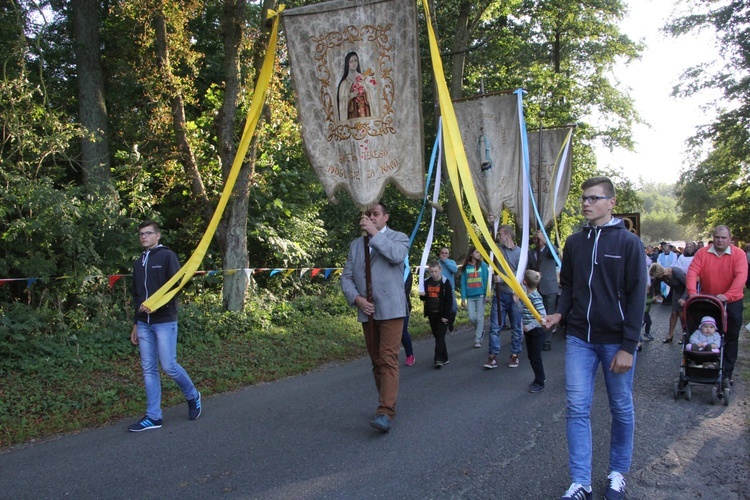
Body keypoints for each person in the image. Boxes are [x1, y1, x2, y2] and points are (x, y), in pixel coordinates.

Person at [546, 177, 646, 500]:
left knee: (621, 407)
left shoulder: (629, 244)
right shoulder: (575, 243)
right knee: (576, 408)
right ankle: (581, 483)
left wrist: (629, 347)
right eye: (583, 198)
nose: (586, 203)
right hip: (579, 339)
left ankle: (617, 474)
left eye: (593, 198)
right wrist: (559, 313)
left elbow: (637, 299)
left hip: (616, 341)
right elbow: (569, 288)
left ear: (611, 203)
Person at [341, 203, 409, 433]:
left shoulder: (398, 238)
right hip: (367, 311)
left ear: (385, 217)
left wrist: (374, 233)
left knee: (388, 358)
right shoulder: (355, 245)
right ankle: (386, 402)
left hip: (392, 309)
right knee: (376, 361)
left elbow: (397, 257)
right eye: (368, 214)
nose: (371, 217)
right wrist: (357, 298)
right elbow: (346, 277)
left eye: (376, 214)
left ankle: (385, 411)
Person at [128, 220, 201, 432]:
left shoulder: (167, 256)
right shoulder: (138, 262)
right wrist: (135, 323)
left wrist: (159, 304)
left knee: (169, 366)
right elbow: (137, 296)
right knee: (149, 369)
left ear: (157, 236)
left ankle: (193, 395)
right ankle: (153, 416)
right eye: (141, 234)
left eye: (148, 233)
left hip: (165, 320)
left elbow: (177, 286)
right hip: (143, 323)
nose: (144, 237)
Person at [686, 225, 747, 385]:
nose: (719, 240)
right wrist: (692, 292)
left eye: (723, 238)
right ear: (713, 237)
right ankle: (700, 363)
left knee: (731, 337)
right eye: (717, 237)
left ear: (730, 239)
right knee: (703, 331)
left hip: (731, 301)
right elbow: (693, 271)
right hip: (709, 300)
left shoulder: (738, 254)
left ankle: (727, 372)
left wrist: (727, 296)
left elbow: (741, 277)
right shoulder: (702, 253)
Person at [484, 223, 524, 369]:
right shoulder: (498, 250)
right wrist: (490, 223)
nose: (498, 237)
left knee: (516, 327)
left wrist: (502, 277)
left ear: (507, 235)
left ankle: (514, 355)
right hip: (499, 294)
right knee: (495, 327)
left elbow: (520, 274)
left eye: (500, 234)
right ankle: (492, 356)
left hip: (515, 295)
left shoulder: (520, 252)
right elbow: (488, 240)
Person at [528, 229, 560, 351]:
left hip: (549, 287)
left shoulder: (549, 250)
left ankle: (547, 340)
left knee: (549, 313)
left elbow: (555, 252)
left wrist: (545, 239)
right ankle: (539, 336)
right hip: (536, 287)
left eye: (539, 239)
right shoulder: (531, 253)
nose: (537, 241)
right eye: (535, 239)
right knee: (537, 314)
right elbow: (528, 268)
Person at [420, 261, 453, 369]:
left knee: (439, 336)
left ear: (440, 270)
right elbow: (424, 298)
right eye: (432, 272)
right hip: (431, 313)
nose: (434, 274)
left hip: (442, 314)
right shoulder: (426, 282)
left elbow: (449, 300)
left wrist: (446, 316)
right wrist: (422, 295)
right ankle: (445, 357)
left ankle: (438, 359)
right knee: (438, 336)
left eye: (436, 271)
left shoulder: (445, 282)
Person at [648, 263, 688, 344]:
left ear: (658, 273)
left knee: (681, 314)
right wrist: (651, 297)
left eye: (655, 276)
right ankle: (670, 335)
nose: (655, 278)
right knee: (673, 313)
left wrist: (684, 298)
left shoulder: (676, 272)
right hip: (676, 292)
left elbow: (688, 285)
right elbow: (653, 286)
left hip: (685, 292)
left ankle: (684, 335)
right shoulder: (662, 276)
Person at [521, 270, 547, 393]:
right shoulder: (528, 295)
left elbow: (543, 317)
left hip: (536, 332)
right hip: (530, 332)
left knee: (535, 357)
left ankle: (540, 382)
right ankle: (539, 377)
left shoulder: (535, 297)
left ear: (525, 282)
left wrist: (529, 326)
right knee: (531, 356)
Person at [461, 247, 489, 348]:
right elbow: (463, 282)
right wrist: (463, 297)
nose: (478, 254)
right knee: (472, 317)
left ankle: (477, 339)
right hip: (470, 296)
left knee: (479, 317)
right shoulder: (466, 267)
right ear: (471, 254)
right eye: (477, 252)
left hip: (481, 295)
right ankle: (480, 331)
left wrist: (487, 294)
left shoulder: (483, 265)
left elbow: (486, 280)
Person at [337, 51, 377, 121]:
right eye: (351, 61)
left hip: (365, 111)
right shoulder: (344, 83)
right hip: (352, 113)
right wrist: (351, 96)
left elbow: (371, 95)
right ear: (348, 63)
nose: (354, 63)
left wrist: (365, 87)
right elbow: (342, 101)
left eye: (355, 60)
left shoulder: (363, 78)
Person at [439, 247, 459, 331]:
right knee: (441, 309)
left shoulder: (451, 262)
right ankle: (442, 325)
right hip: (439, 290)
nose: (444, 254)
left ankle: (450, 322)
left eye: (446, 253)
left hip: (450, 290)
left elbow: (454, 270)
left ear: (448, 254)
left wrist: (445, 261)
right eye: (442, 253)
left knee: (453, 309)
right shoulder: (437, 263)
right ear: (440, 254)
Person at [402, 269, 416, 366]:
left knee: (403, 331)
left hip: (404, 306)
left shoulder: (406, 271)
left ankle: (410, 355)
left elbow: (406, 290)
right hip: (388, 307)